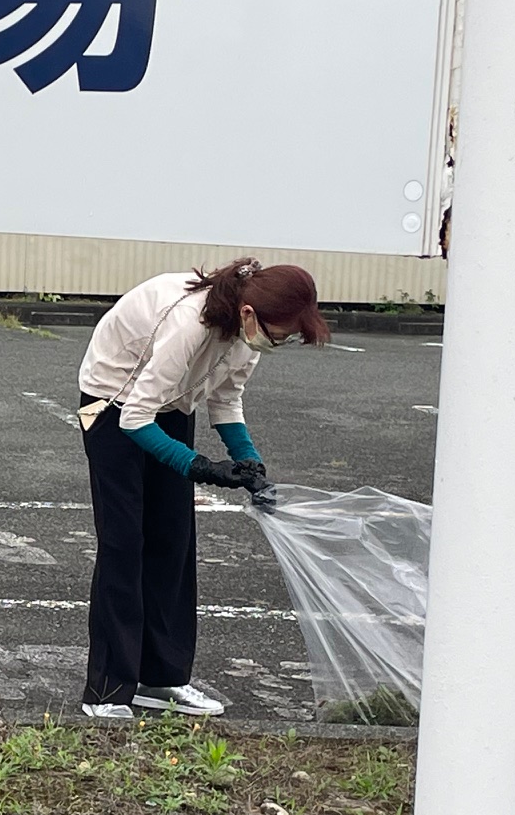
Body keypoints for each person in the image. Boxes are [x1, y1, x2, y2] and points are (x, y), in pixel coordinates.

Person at [76, 258, 330, 720]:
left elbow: (226, 398)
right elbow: (135, 417)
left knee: (172, 541)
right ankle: (108, 690)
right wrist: (200, 468)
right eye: (281, 332)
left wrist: (247, 460)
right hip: (113, 404)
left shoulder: (245, 334)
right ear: (249, 313)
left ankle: (162, 680)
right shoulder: (189, 325)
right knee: (124, 541)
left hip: (169, 402)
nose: (282, 341)